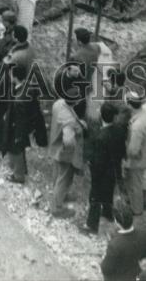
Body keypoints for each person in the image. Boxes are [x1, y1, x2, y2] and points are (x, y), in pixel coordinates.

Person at [81, 100, 127, 235]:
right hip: (114, 170)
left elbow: (98, 162)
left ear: (101, 116)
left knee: (94, 196)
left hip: (101, 173)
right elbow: (122, 151)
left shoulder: (100, 137)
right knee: (109, 192)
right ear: (113, 117)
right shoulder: (119, 131)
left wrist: (92, 168)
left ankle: (91, 225)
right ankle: (107, 213)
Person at [49, 73, 87, 218]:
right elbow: (69, 140)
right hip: (65, 153)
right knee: (64, 178)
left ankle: (59, 196)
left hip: (55, 145)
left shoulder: (58, 104)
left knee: (57, 174)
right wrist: (70, 153)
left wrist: (78, 123)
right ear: (75, 101)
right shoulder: (69, 120)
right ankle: (57, 207)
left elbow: (64, 117)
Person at [5, 63, 47, 185]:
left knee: (16, 148)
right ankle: (20, 170)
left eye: (11, 74)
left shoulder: (19, 99)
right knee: (18, 148)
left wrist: (18, 134)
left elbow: (20, 119)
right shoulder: (27, 87)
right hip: (26, 125)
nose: (9, 75)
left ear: (15, 77)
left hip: (17, 127)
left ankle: (18, 175)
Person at [100, 204, 146, 281]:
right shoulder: (143, 233)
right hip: (137, 273)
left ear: (116, 222)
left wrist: (104, 257)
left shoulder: (114, 245)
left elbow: (106, 269)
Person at [124, 91, 146, 216]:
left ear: (129, 105)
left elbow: (133, 150)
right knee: (141, 180)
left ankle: (136, 209)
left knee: (135, 183)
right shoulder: (143, 112)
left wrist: (126, 157)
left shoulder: (137, 126)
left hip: (138, 158)